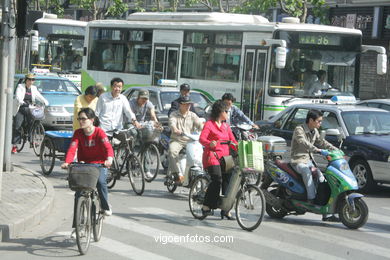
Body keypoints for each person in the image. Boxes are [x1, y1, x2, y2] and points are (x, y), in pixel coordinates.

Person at [61, 108, 114, 237]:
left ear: (92, 120)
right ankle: (78, 227)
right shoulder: (78, 133)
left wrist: (109, 159)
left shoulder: (99, 132)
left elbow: (108, 148)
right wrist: (67, 162)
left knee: (101, 182)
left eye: (84, 119)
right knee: (79, 194)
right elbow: (72, 149)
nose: (81, 121)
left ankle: (105, 206)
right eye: (79, 119)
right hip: (84, 165)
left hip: (99, 164)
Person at [290, 109, 339, 222]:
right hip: (298, 161)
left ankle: (325, 213)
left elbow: (322, 142)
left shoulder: (315, 131)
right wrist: (317, 150)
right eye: (319, 121)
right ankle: (311, 199)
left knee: (322, 178)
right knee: (306, 171)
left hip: (309, 161)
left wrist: (336, 150)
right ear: (311, 120)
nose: (320, 123)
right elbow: (303, 142)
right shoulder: (299, 129)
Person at [200, 100, 238, 220]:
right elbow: (202, 139)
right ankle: (206, 206)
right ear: (220, 112)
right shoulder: (209, 124)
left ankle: (225, 209)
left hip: (225, 159)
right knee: (217, 179)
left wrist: (240, 147)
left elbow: (233, 141)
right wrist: (209, 143)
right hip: (212, 157)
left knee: (230, 180)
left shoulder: (226, 126)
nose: (227, 113)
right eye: (226, 111)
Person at [168, 96, 203, 184]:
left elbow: (200, 124)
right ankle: (176, 175)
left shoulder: (192, 115)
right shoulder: (174, 114)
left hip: (190, 141)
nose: (188, 106)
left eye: (189, 104)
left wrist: (205, 128)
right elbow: (172, 123)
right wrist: (175, 129)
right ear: (180, 105)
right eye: (186, 104)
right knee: (172, 152)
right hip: (177, 140)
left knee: (200, 156)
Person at [12, 73, 49, 154]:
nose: (31, 81)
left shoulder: (34, 88)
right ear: (26, 80)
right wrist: (22, 102)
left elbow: (39, 96)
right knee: (17, 126)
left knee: (32, 123)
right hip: (21, 108)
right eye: (29, 79)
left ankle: (31, 140)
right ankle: (15, 146)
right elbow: (18, 97)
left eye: (32, 80)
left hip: (30, 108)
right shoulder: (20, 87)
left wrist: (45, 101)